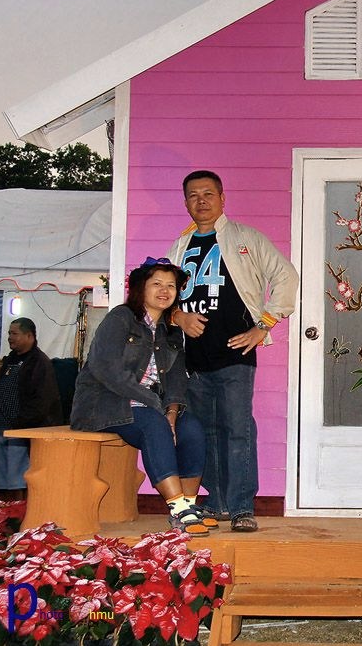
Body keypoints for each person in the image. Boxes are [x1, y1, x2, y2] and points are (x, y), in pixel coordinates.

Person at [167, 170, 299, 533]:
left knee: (237, 429)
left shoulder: (245, 238)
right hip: (193, 359)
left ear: (223, 198)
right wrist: (178, 316)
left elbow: (286, 276)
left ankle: (242, 507)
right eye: (193, 195)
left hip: (235, 354)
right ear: (186, 202)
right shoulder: (178, 247)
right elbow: (159, 294)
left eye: (208, 194)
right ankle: (218, 502)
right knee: (205, 432)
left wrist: (264, 324)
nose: (201, 201)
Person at [70, 258, 212, 536]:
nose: (165, 290)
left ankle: (189, 505)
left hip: (152, 408)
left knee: (192, 428)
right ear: (140, 287)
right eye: (157, 283)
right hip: (107, 405)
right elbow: (106, 369)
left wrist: (172, 412)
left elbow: (176, 380)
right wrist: (155, 406)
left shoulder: (171, 331)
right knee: (153, 425)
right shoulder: (121, 318)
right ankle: (178, 508)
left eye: (171, 285)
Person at [0, 318, 61, 497]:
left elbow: (42, 401)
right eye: (9, 333)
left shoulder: (39, 363)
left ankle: (20, 512)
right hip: (2, 430)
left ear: (29, 336)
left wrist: (20, 423)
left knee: (18, 480)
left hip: (22, 432)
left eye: (14, 333)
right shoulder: (10, 359)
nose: (10, 337)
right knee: (3, 480)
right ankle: (5, 512)